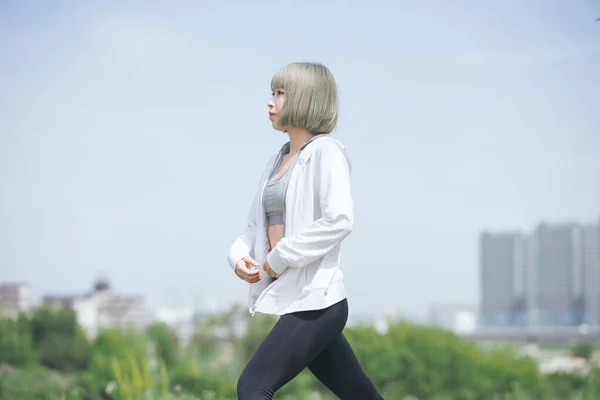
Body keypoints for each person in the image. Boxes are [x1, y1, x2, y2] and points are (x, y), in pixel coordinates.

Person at [227, 62, 383, 400]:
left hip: (318, 302)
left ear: (304, 98)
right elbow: (256, 226)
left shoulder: (327, 152)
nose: (271, 102)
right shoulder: (277, 160)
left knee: (253, 386)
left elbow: (339, 219)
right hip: (297, 297)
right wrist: (239, 257)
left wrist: (278, 258)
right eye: (272, 93)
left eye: (280, 94)